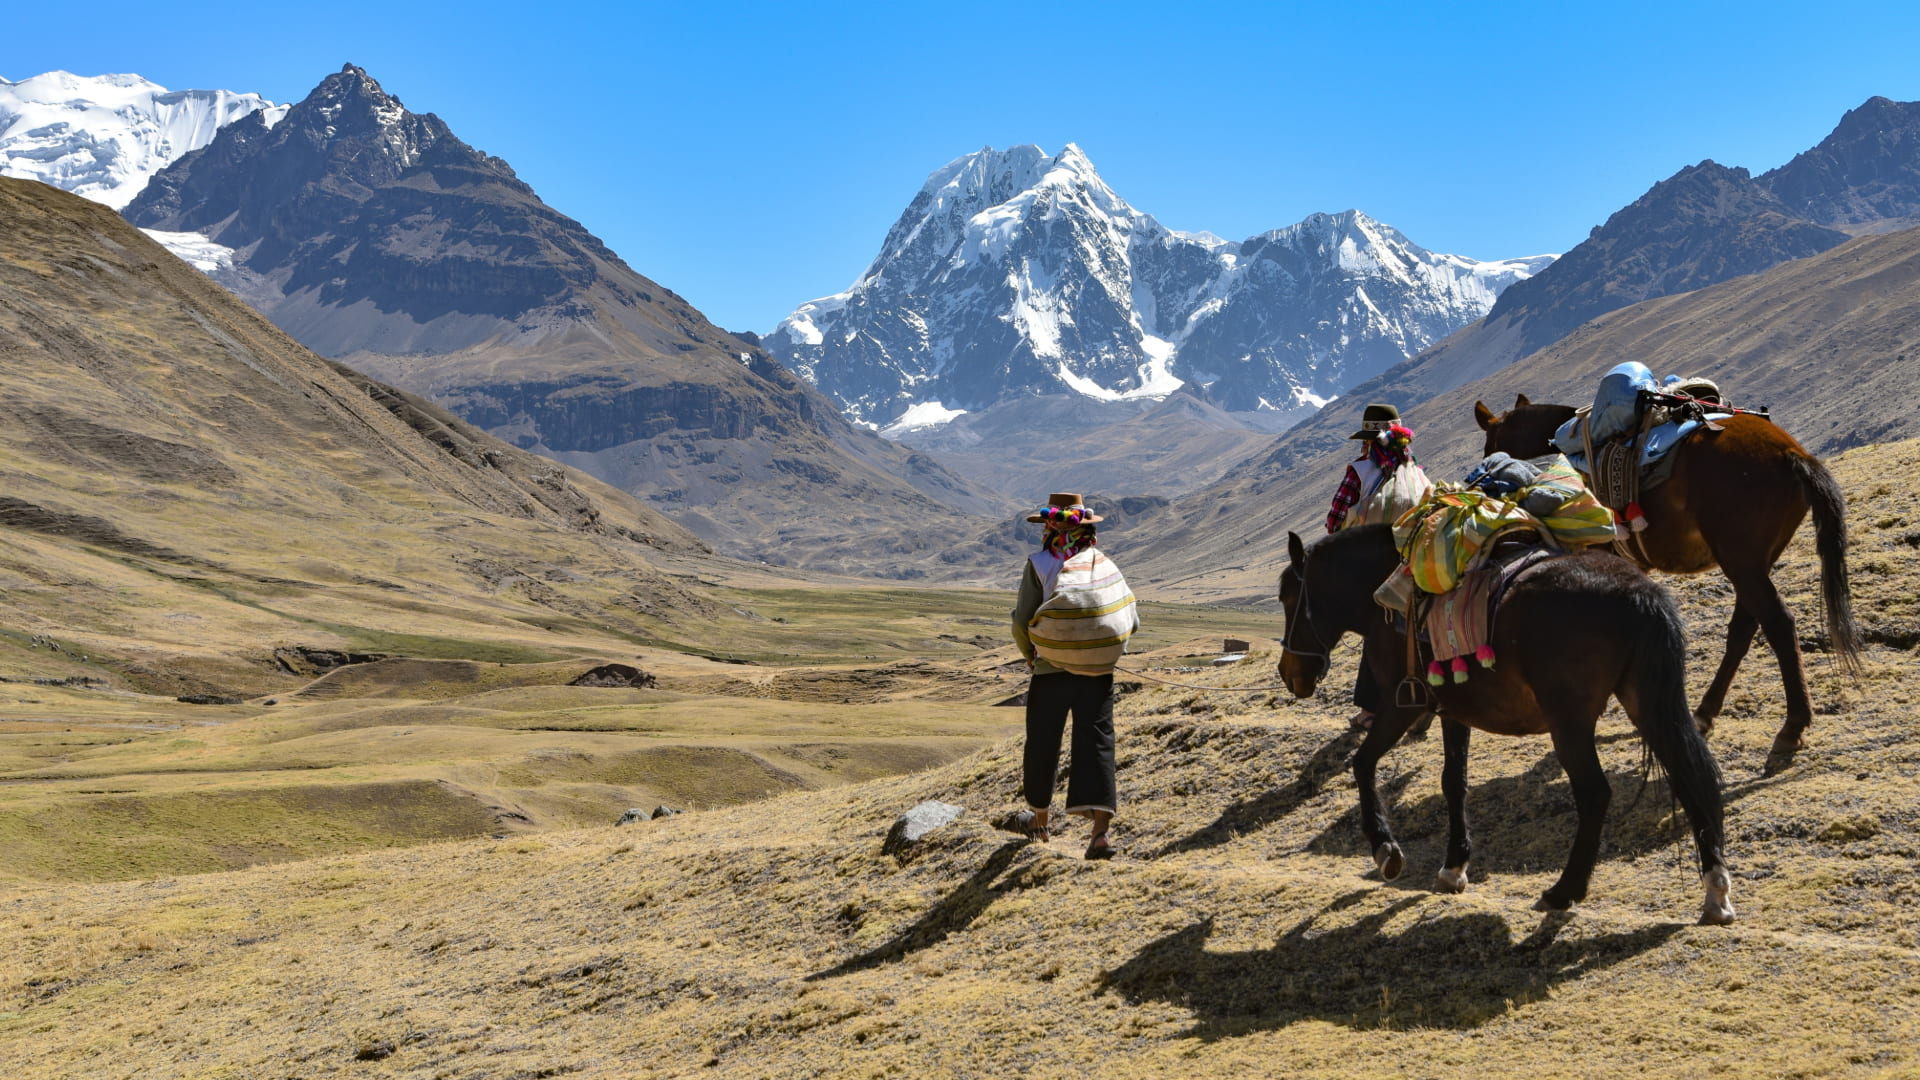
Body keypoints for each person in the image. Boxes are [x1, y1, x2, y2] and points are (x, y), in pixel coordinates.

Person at [1009, 492, 1132, 860]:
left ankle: (1040, 823)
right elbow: (1128, 615)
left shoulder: (1040, 564)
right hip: (1097, 672)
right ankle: (1099, 835)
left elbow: (1021, 621)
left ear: (1049, 525)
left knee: (1043, 742)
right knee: (1097, 742)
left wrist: (1032, 656)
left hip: (1050, 670)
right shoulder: (1103, 563)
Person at [1323, 403, 1425, 731]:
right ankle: (1419, 706)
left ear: (1368, 440)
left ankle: (1370, 711)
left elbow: (1335, 521)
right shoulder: (1416, 471)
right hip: (1415, 567)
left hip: (1372, 573)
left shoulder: (1359, 471)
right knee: (1413, 634)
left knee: (1376, 637)